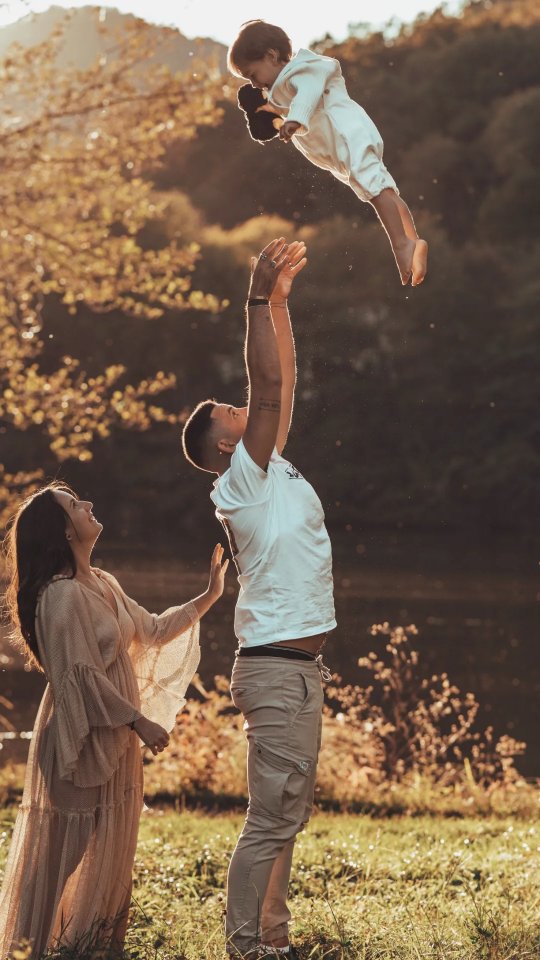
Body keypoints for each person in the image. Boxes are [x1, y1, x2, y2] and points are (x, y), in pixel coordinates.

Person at [182, 238, 336, 959]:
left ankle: (273, 942)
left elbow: (286, 386)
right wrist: (253, 297)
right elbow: (270, 389)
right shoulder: (240, 483)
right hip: (275, 670)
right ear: (222, 449)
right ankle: (248, 948)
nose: (246, 409)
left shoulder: (272, 470)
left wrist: (279, 307)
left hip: (300, 668)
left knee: (289, 814)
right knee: (269, 820)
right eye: (230, 413)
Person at [0, 482, 228, 958]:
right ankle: (26, 949)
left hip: (116, 735)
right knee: (58, 857)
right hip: (78, 736)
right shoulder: (60, 597)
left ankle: (92, 946)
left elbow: (154, 630)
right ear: (63, 531)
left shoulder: (102, 582)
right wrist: (138, 721)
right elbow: (77, 679)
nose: (88, 505)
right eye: (75, 505)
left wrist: (209, 595)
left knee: (108, 845)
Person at [230, 19, 428, 288]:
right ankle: (413, 240)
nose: (253, 84)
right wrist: (271, 116)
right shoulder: (279, 89)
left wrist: (295, 120)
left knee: (375, 190)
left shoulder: (304, 70)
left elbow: (308, 95)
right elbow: (278, 111)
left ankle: (401, 244)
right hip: (339, 147)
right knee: (384, 189)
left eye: (252, 74)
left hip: (348, 134)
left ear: (271, 56)